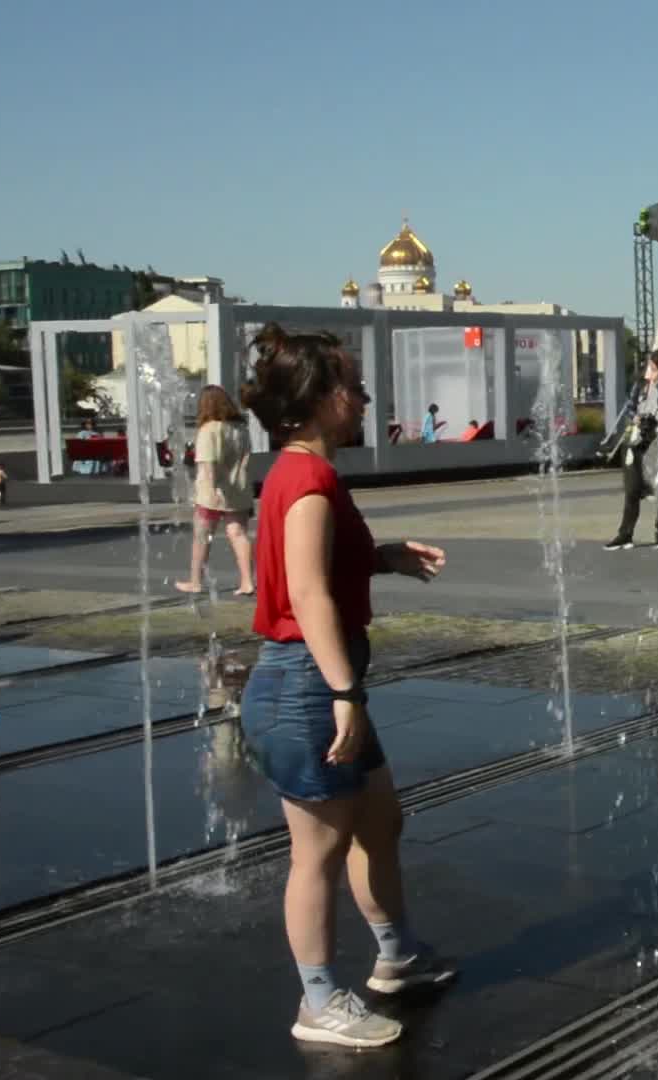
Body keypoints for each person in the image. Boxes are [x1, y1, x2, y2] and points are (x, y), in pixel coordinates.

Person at [237, 323, 456, 1048]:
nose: (363, 400)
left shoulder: (308, 474)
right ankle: (319, 1001)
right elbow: (306, 594)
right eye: (355, 389)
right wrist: (345, 696)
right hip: (305, 686)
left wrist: (384, 556)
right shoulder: (306, 479)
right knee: (318, 853)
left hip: (318, 681)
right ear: (322, 398)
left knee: (379, 822)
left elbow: (322, 567)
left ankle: (397, 956)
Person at [177, 385, 256, 595]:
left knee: (202, 536)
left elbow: (208, 462)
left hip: (212, 492)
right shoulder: (241, 429)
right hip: (239, 488)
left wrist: (211, 489)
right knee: (238, 534)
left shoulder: (208, 430)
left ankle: (195, 582)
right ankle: (247, 581)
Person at [604, 349, 658, 550]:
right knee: (631, 489)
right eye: (652, 366)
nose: (654, 370)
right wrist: (635, 417)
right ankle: (625, 534)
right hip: (637, 441)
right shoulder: (640, 385)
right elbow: (629, 406)